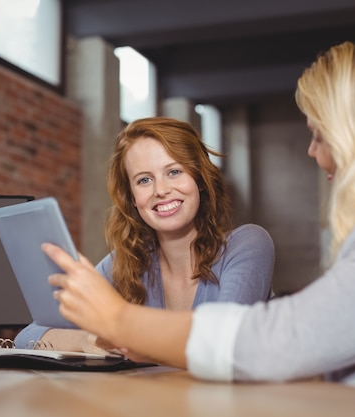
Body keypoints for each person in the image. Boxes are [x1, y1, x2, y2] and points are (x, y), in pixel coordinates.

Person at [43, 35, 355, 408]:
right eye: (144, 180)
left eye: (319, 134)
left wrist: (121, 321)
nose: (313, 152)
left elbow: (277, 342)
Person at [14, 117, 275, 351]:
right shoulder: (127, 263)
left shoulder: (247, 245)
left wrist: (122, 327)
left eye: (174, 172)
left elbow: (221, 341)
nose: (160, 190)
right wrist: (87, 340)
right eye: (144, 180)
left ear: (200, 181)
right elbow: (28, 335)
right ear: (132, 200)